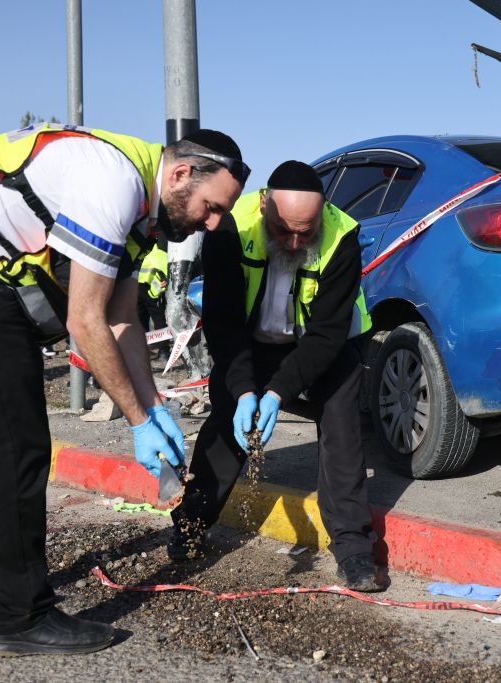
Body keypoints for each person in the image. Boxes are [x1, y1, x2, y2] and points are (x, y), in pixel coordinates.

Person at [0, 122, 248, 655]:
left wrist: (153, 404)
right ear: (182, 174)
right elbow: (85, 320)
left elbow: (123, 318)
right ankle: (22, 615)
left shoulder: (142, 203)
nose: (212, 224)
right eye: (211, 207)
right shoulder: (114, 183)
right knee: (16, 446)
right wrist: (137, 421)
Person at [169, 160, 385, 592]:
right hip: (250, 341)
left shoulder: (342, 236)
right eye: (285, 228)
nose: (294, 241)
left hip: (325, 344)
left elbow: (326, 334)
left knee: (342, 428)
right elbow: (223, 322)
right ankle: (191, 524)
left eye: (306, 231)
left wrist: (278, 394)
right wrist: (248, 390)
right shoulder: (230, 226)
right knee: (227, 419)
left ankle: (354, 548)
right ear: (265, 204)